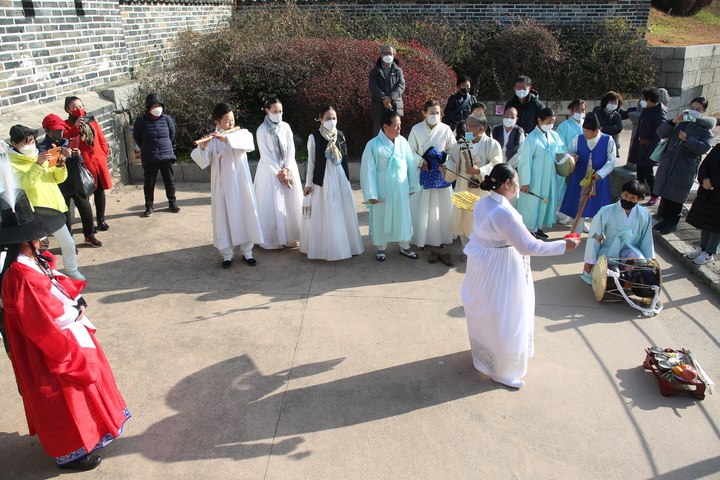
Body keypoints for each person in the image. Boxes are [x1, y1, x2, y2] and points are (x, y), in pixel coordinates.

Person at [0, 188, 129, 471]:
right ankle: (71, 450)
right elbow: (43, 317)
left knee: (78, 385)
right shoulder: (20, 274)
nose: (42, 237)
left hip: (54, 332)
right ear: (23, 240)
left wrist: (73, 298)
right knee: (60, 390)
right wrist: (75, 310)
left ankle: (91, 435)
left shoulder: (30, 261)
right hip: (44, 342)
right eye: (37, 234)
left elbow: (51, 281)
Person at [461, 163, 580, 388]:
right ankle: (504, 371)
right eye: (516, 180)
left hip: (484, 264)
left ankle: (485, 358)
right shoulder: (503, 212)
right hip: (501, 268)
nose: (518, 185)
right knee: (507, 314)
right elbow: (529, 246)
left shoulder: (483, 203)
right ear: (506, 183)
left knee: (490, 313)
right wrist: (563, 245)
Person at [7, 125, 85, 281]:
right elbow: (24, 185)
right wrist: (37, 165)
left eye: (32, 141)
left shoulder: (40, 155)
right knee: (37, 250)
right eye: (25, 143)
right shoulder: (10, 164)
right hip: (33, 212)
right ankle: (42, 278)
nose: (31, 146)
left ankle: (71, 270)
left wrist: (61, 164)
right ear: (14, 144)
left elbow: (58, 179)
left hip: (52, 207)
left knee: (68, 243)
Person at [191, 103, 264, 268]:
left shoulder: (240, 134)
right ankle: (227, 254)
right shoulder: (212, 138)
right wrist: (203, 148)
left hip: (240, 182)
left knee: (245, 214)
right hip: (222, 185)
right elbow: (204, 161)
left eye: (232, 120)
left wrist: (227, 138)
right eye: (226, 121)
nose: (230, 124)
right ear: (217, 122)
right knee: (223, 217)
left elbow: (248, 143)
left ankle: (247, 252)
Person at [300, 106, 364, 261]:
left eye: (334, 118)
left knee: (343, 210)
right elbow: (311, 161)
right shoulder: (314, 137)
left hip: (340, 175)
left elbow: (345, 158)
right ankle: (324, 249)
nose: (331, 121)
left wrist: (347, 181)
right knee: (326, 211)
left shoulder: (340, 135)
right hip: (323, 179)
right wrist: (309, 183)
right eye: (328, 118)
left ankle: (346, 245)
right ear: (320, 119)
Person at [361, 110, 420, 261]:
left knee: (402, 216)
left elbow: (410, 165)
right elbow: (368, 171)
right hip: (383, 191)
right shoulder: (372, 145)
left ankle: (405, 245)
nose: (399, 129)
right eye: (396, 126)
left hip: (401, 189)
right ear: (385, 126)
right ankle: (381, 248)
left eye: (400, 125)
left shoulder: (403, 142)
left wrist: (412, 186)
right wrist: (371, 194)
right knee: (382, 217)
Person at [653, 97, 715, 235]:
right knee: (667, 194)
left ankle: (673, 223)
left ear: (704, 112)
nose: (694, 111)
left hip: (685, 166)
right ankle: (665, 220)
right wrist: (673, 121)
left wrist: (688, 139)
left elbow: (704, 147)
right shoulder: (681, 122)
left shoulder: (704, 128)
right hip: (669, 163)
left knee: (677, 196)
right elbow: (661, 133)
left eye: (698, 109)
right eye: (692, 108)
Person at [39, 114, 102, 248]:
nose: (60, 132)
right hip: (59, 184)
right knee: (65, 214)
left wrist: (76, 155)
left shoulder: (66, 142)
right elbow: (46, 167)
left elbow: (80, 162)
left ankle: (89, 235)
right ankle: (69, 242)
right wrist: (62, 156)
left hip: (75, 180)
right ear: (47, 130)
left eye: (61, 129)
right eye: (56, 130)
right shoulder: (42, 148)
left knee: (85, 208)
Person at [444, 114, 502, 257]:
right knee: (465, 220)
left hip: (483, 190)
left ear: (480, 128)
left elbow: (496, 165)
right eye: (466, 126)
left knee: (482, 221)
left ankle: (483, 250)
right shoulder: (461, 143)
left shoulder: (492, 144)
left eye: (470, 126)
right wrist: (446, 167)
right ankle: (467, 250)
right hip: (464, 186)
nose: (466, 129)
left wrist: (479, 171)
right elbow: (452, 160)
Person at [581, 180, 655, 284]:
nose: (628, 199)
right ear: (621, 193)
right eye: (626, 195)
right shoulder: (605, 211)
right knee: (605, 277)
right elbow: (596, 236)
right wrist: (590, 260)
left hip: (629, 250)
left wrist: (649, 260)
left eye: (632, 197)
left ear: (639, 199)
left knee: (640, 264)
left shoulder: (644, 214)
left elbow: (646, 239)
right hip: (608, 249)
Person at [254, 98, 303, 250]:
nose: (278, 114)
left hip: (287, 168)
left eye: (280, 111)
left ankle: (290, 237)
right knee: (271, 204)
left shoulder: (286, 127)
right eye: (275, 111)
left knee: (290, 204)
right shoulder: (262, 130)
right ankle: (272, 239)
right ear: (267, 111)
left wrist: (286, 168)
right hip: (269, 172)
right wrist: (277, 172)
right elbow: (265, 154)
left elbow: (291, 149)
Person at [408, 100, 456, 250]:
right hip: (423, 170)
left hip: (440, 172)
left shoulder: (446, 129)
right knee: (421, 205)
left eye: (437, 113)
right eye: (431, 113)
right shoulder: (416, 129)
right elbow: (410, 150)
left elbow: (452, 149)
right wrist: (421, 161)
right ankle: (420, 238)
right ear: (424, 114)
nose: (435, 115)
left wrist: (444, 160)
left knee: (440, 206)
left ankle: (441, 236)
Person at [559, 113, 616, 233]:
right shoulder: (578, 139)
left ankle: (597, 233)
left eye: (587, 132)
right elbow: (567, 153)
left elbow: (611, 161)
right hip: (580, 179)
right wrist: (572, 157)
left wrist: (599, 174)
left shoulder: (607, 140)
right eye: (583, 130)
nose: (584, 134)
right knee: (577, 205)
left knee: (598, 206)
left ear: (595, 132)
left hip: (598, 179)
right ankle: (576, 232)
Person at [63, 96, 112, 232]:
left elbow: (101, 138)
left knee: (100, 191)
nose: (79, 109)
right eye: (74, 107)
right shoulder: (66, 124)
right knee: (86, 193)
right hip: (83, 163)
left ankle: (101, 219)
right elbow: (66, 140)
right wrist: (75, 127)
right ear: (68, 109)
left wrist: (104, 153)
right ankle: (89, 224)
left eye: (80, 106)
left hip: (98, 160)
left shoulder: (91, 121)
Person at [516, 107, 566, 239]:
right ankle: (528, 229)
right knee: (531, 205)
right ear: (540, 120)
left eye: (553, 122)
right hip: (535, 179)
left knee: (545, 202)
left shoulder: (554, 135)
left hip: (549, 177)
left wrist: (568, 157)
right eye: (548, 121)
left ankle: (538, 227)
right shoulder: (531, 139)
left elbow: (561, 151)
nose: (551, 125)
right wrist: (525, 182)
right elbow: (525, 162)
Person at [133, 93, 179, 217]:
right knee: (149, 183)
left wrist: (165, 146)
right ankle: (149, 206)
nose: (157, 108)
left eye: (159, 105)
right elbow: (137, 137)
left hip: (166, 154)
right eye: (154, 106)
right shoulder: (141, 120)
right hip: (150, 155)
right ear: (149, 108)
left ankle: (172, 203)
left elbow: (172, 135)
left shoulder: (167, 119)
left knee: (169, 181)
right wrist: (146, 147)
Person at [627, 88, 667, 206]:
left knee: (648, 173)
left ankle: (655, 195)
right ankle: (640, 192)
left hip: (649, 146)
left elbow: (658, 133)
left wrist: (652, 149)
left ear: (650, 99)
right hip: (640, 145)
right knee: (640, 172)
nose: (642, 101)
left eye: (644, 98)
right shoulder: (646, 110)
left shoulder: (659, 112)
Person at [686, 144, 720, 265]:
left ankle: (709, 253)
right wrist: (704, 179)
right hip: (707, 191)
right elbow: (705, 165)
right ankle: (703, 247)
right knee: (705, 221)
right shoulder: (718, 147)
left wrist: (713, 182)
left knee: (716, 225)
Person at [554, 99, 586, 225]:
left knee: (582, 191)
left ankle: (581, 219)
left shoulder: (586, 124)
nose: (580, 112)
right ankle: (564, 214)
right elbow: (560, 145)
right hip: (569, 161)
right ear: (571, 110)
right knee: (566, 188)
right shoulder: (564, 126)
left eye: (583, 110)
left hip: (584, 162)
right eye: (578, 110)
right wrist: (569, 156)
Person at [369, 45, 405, 135]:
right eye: (386, 53)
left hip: (395, 106)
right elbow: (373, 86)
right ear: (381, 55)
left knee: (395, 134)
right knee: (378, 135)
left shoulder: (398, 71)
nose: (388, 55)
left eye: (390, 53)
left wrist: (391, 98)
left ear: (394, 55)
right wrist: (384, 99)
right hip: (379, 107)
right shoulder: (374, 71)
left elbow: (401, 85)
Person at [593, 91, 625, 158]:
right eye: (611, 102)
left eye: (615, 102)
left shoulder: (617, 115)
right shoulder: (598, 113)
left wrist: (604, 128)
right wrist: (611, 128)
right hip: (598, 143)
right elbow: (598, 128)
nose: (613, 104)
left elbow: (618, 129)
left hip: (612, 144)